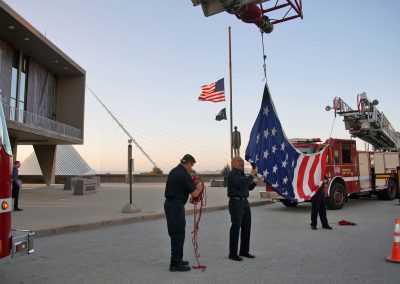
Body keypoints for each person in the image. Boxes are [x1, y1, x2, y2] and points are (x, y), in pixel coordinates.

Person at [164, 154, 202, 272]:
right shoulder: (184, 174)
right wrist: (199, 188)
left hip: (170, 205)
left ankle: (178, 260)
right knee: (178, 235)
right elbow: (195, 193)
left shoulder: (174, 171)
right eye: (192, 165)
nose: (191, 167)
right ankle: (175, 264)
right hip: (175, 206)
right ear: (188, 163)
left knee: (176, 234)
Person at [227, 156, 258, 261]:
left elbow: (247, 186)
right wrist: (251, 175)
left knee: (246, 227)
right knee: (236, 228)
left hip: (244, 202)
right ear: (233, 163)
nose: (242, 163)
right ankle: (233, 254)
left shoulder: (241, 173)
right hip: (236, 202)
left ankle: (244, 251)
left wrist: (255, 181)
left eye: (242, 161)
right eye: (239, 161)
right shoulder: (232, 174)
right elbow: (241, 185)